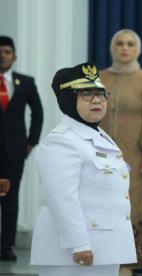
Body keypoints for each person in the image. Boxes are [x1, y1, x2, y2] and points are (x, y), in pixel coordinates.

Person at [30, 62, 136, 276]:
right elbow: (62, 198)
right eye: (86, 94)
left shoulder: (98, 136)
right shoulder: (61, 141)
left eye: (101, 94)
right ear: (69, 100)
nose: (97, 100)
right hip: (74, 252)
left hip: (104, 247)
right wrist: (78, 244)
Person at [99, 29, 142, 272]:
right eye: (119, 43)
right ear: (112, 47)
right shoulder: (99, 78)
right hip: (99, 157)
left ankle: (128, 265)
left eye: (130, 44)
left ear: (137, 49)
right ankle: (103, 262)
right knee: (101, 206)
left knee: (133, 210)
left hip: (135, 159)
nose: (124, 48)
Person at [0, 35, 43, 261]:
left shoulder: (26, 82)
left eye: (7, 51)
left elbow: (38, 113)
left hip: (13, 153)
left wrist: (31, 143)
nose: (2, 55)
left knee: (10, 199)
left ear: (14, 56)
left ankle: (6, 245)